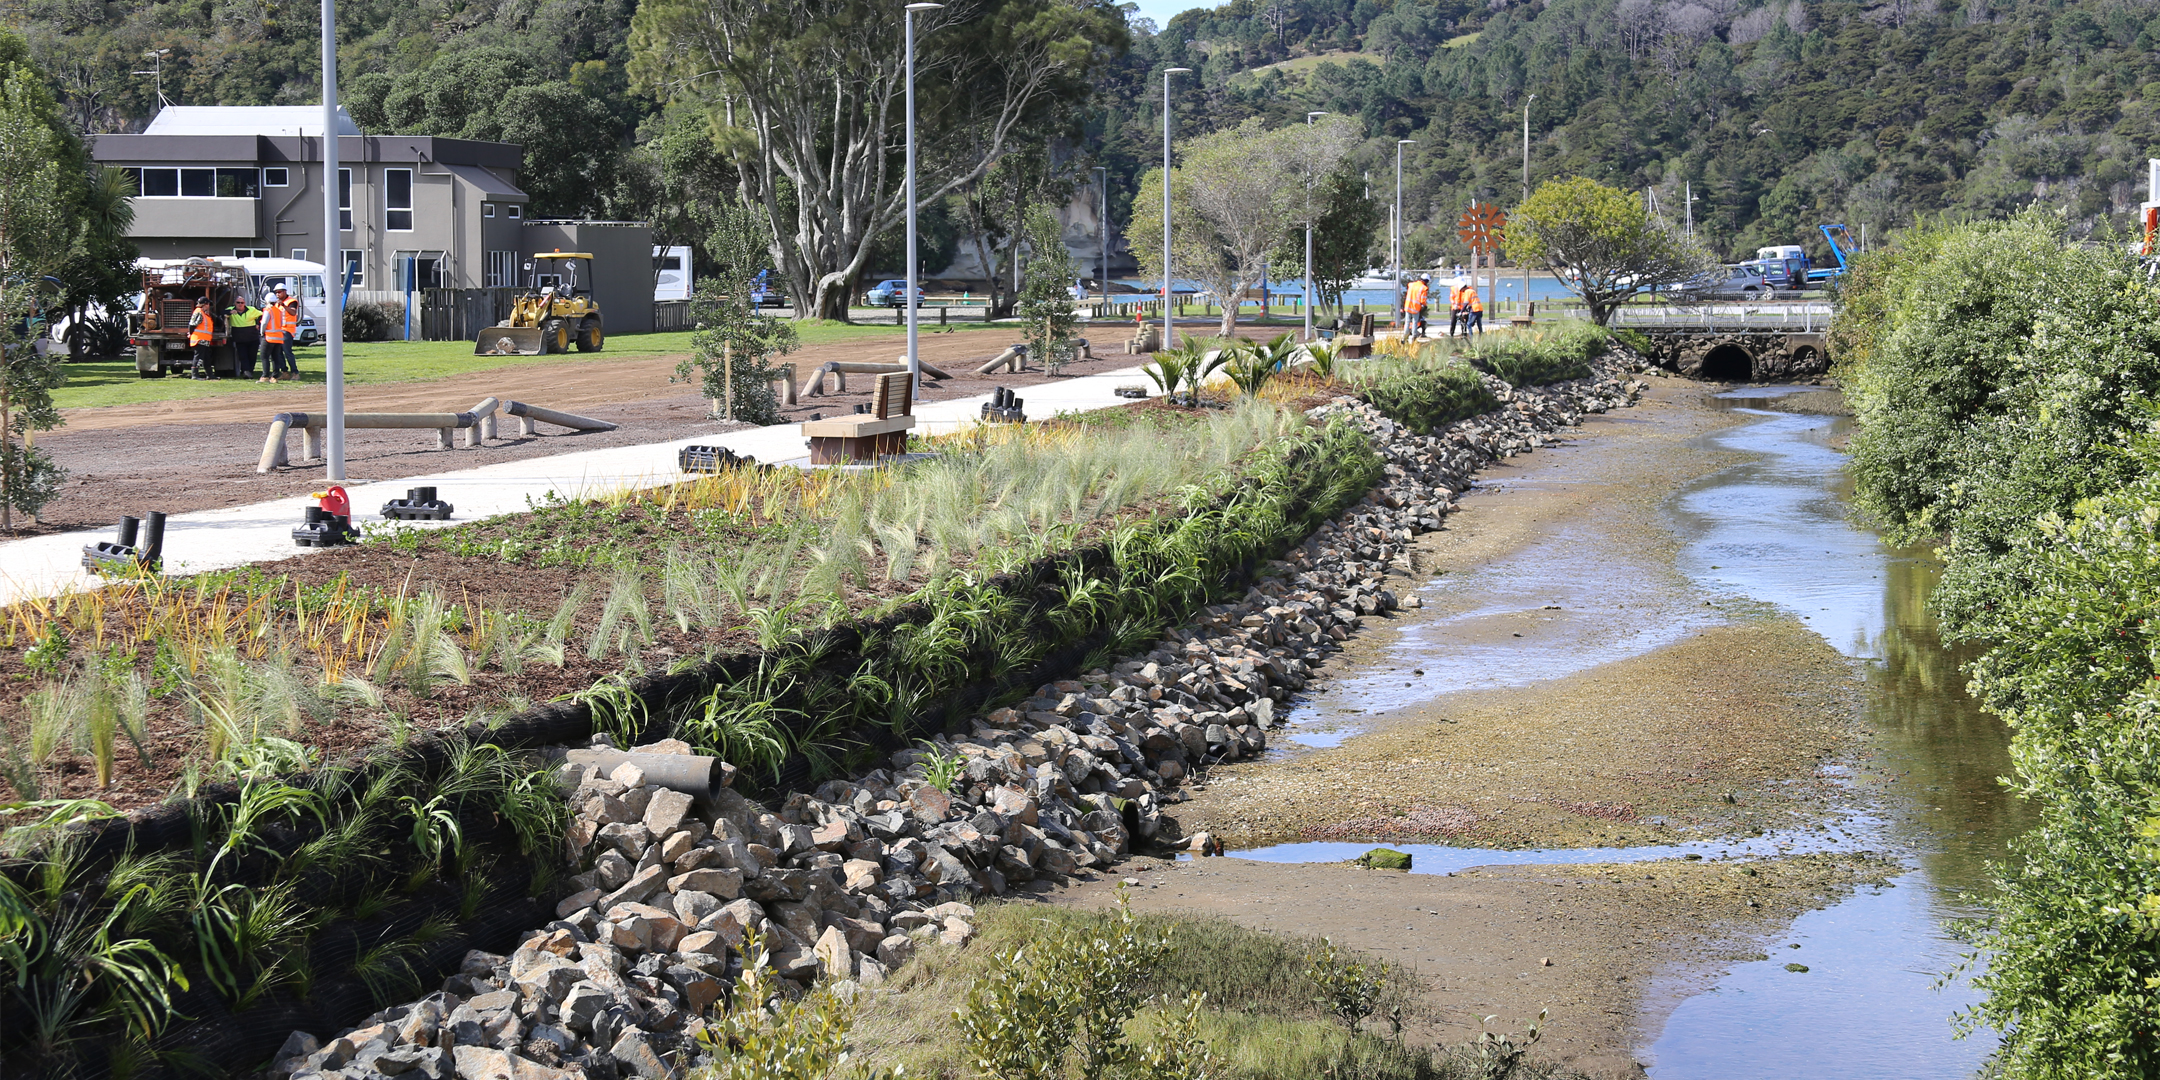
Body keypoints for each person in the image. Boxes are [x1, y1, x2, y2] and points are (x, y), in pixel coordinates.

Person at [260, 286, 294, 383]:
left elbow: (264, 323)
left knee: (264, 356)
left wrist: (262, 332)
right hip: (279, 337)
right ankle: (274, 376)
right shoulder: (279, 310)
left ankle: (265, 376)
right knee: (275, 357)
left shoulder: (268, 310)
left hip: (269, 337)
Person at [228, 295, 263, 380]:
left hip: (252, 338)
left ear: (245, 303)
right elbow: (221, 312)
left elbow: (262, 314)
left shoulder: (251, 309)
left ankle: (250, 371)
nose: (240, 304)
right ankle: (246, 372)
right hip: (239, 338)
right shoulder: (231, 309)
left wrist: (258, 323)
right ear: (235, 303)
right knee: (242, 356)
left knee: (252, 356)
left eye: (242, 303)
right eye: (238, 302)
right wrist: (229, 313)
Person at [186, 296, 218, 379]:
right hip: (199, 339)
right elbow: (192, 324)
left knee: (207, 358)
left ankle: (210, 375)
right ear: (205, 304)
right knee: (198, 357)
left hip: (204, 340)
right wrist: (190, 333)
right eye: (208, 304)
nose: (209, 306)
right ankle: (195, 375)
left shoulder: (203, 313)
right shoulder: (199, 312)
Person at [1403, 275, 1429, 340]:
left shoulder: (1411, 284)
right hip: (1415, 307)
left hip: (1407, 305)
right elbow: (1423, 300)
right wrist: (1424, 305)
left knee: (1407, 322)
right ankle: (1414, 336)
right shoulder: (1424, 288)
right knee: (1415, 322)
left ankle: (1405, 336)